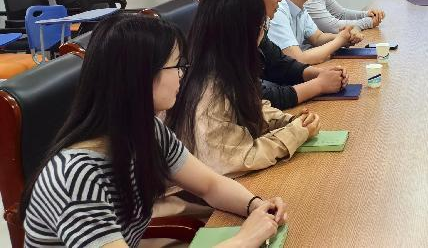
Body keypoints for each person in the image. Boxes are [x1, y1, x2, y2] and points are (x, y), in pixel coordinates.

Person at [21, 15, 288, 248]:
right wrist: (244, 240)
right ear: (139, 76)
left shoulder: (147, 130)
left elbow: (210, 185)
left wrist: (255, 205)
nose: (182, 75)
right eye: (177, 66)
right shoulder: (76, 177)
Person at [167, 0, 321, 177]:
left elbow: (252, 107)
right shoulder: (209, 92)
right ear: (243, 35)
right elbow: (240, 159)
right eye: (262, 25)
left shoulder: (222, 70)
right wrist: (294, 133)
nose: (263, 33)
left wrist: (289, 121)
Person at [229, 0, 348, 109]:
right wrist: (319, 85)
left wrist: (321, 74)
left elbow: (280, 63)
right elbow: (258, 98)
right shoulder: (229, 32)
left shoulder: (257, 27)